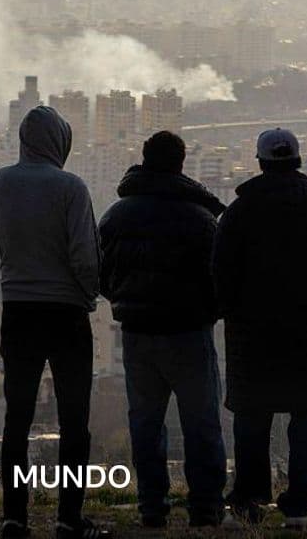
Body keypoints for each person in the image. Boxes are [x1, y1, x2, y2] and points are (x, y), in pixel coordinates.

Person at [213, 128, 307, 528]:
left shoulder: (240, 213)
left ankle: (246, 503)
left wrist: (233, 314)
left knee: (252, 418)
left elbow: (220, 271)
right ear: (297, 161)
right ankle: (298, 507)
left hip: (252, 337)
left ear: (260, 163)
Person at [0, 106, 109, 539]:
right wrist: (89, 294)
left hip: (17, 309)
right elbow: (84, 255)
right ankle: (68, 518)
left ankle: (13, 518)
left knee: (16, 419)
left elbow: (4, 238)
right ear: (61, 142)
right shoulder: (70, 188)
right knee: (74, 420)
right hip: (65, 313)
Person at [98, 131, 228, 528]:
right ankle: (205, 509)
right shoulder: (202, 219)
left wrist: (127, 302)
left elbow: (102, 275)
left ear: (144, 159)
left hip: (137, 334)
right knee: (201, 422)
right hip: (189, 333)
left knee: (146, 422)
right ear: (181, 164)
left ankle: (152, 506)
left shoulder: (117, 215)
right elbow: (220, 280)